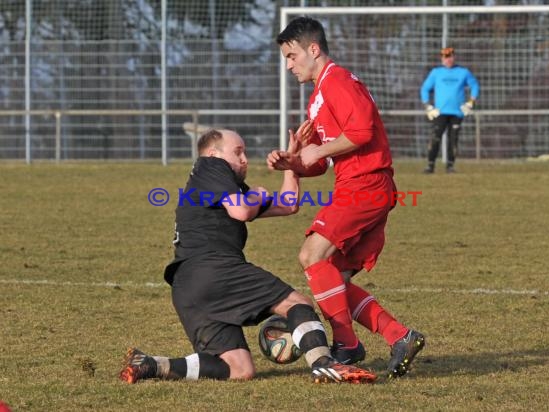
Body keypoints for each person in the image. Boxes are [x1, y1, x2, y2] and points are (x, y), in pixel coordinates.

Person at [119, 127, 377, 385]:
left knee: (238, 368)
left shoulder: (219, 185)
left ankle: (153, 364)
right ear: (213, 153)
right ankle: (324, 364)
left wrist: (291, 162)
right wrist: (256, 195)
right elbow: (242, 211)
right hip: (214, 269)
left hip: (187, 287)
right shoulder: (211, 166)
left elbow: (288, 204)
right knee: (298, 304)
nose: (244, 159)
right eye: (238, 152)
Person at [268, 16, 425, 379]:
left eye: (291, 56)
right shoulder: (318, 98)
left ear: (313, 49)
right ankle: (399, 336)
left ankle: (347, 345)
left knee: (311, 255)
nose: (289, 65)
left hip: (365, 185)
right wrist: (295, 162)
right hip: (356, 185)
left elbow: (363, 131)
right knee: (333, 277)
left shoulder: (337, 81)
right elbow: (323, 163)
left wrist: (317, 152)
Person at [420, 46, 480, 174]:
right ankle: (430, 165)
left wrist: (471, 102)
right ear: (442, 59)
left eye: (450, 57)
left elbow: (474, 85)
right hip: (440, 112)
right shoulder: (436, 72)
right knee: (435, 137)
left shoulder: (463, 72)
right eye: (445, 57)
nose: (448, 60)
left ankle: (450, 166)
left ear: (454, 57)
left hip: (457, 112)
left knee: (453, 139)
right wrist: (427, 105)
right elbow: (425, 88)